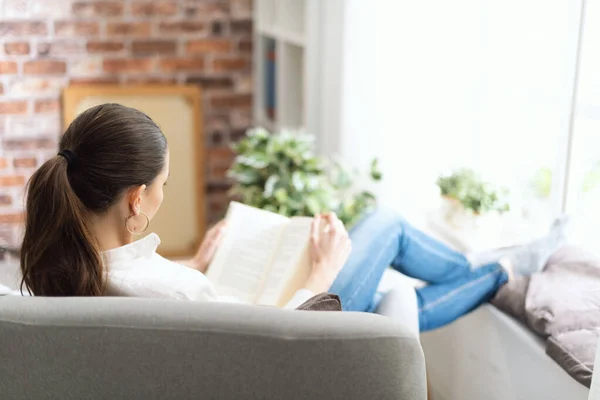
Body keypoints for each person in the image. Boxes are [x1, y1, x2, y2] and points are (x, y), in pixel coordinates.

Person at [19, 104, 566, 332]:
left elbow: (132, 284)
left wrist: (197, 260)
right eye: (163, 187)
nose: (162, 196)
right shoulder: (171, 292)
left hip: (250, 318)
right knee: (385, 225)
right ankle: (494, 268)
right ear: (136, 199)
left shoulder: (59, 269)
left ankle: (499, 269)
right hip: (300, 325)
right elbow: (277, 336)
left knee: (387, 303)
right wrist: (323, 273)